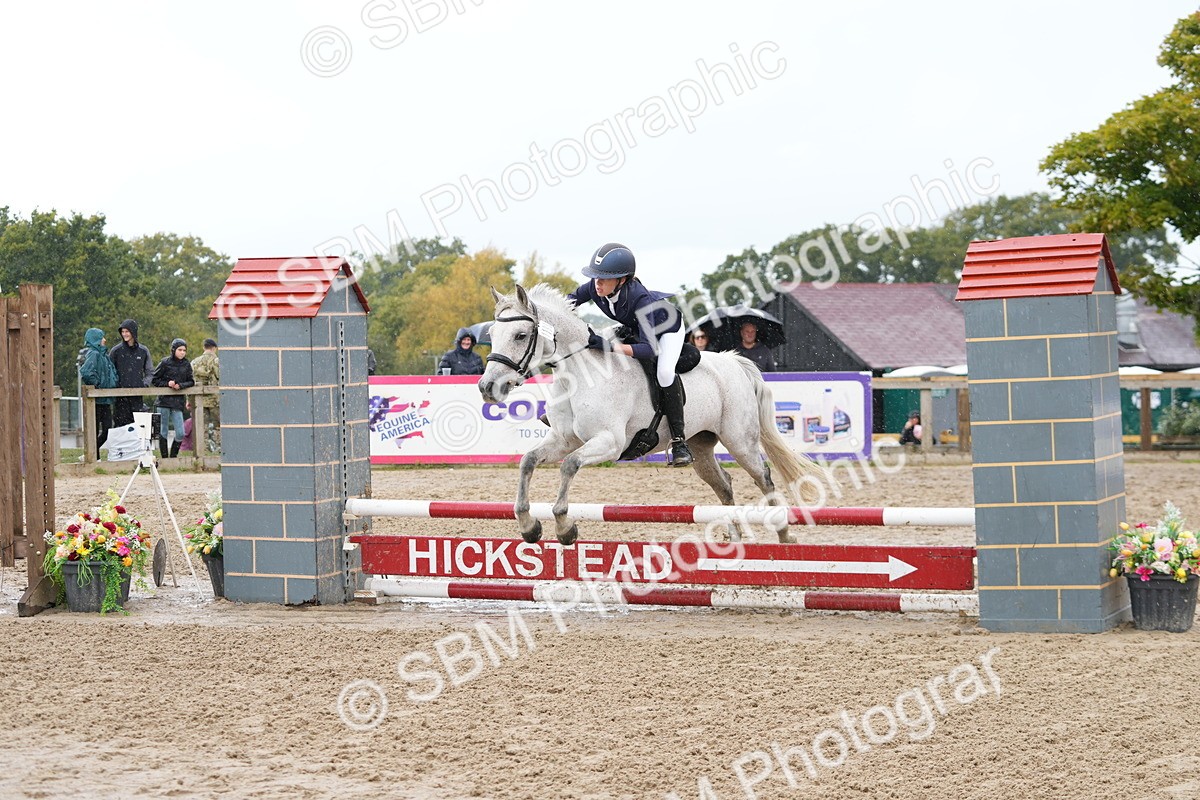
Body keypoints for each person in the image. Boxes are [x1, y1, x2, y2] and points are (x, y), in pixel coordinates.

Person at [568, 242, 693, 467]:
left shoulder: (640, 299)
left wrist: (609, 347)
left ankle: (679, 441)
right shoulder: (595, 288)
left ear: (622, 280)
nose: (597, 282)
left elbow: (648, 349)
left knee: (665, 373)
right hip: (637, 326)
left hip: (667, 329)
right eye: (595, 277)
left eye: (604, 278)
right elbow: (567, 302)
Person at [151, 338, 194, 459]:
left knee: (180, 433)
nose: (182, 352)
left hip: (177, 402)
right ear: (174, 350)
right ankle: (165, 459)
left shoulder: (186, 364)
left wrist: (181, 385)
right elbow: (154, 380)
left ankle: (173, 457)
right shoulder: (165, 362)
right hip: (163, 401)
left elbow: (191, 381)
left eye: (184, 350)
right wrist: (167, 384)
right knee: (163, 431)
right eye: (180, 350)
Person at [78, 327, 120, 452]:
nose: (105, 340)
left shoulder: (104, 356)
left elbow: (112, 374)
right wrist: (97, 385)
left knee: (108, 430)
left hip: (105, 399)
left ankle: (92, 453)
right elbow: (86, 372)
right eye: (102, 337)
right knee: (95, 430)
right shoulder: (94, 354)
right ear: (96, 340)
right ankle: (93, 456)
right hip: (96, 400)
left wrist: (113, 383)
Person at [109, 319, 153, 427]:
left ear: (133, 332)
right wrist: (116, 385)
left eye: (127, 331)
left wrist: (144, 384)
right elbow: (110, 371)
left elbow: (150, 371)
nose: (124, 334)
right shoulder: (116, 351)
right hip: (120, 397)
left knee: (138, 427)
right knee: (120, 427)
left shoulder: (143, 350)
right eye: (122, 332)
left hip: (137, 397)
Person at [190, 337, 220, 452]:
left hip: (199, 399)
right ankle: (219, 449)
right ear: (214, 348)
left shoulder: (194, 362)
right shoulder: (217, 361)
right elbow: (220, 377)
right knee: (218, 426)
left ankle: (204, 450)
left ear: (204, 347)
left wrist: (189, 400)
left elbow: (190, 381)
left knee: (202, 426)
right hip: (215, 398)